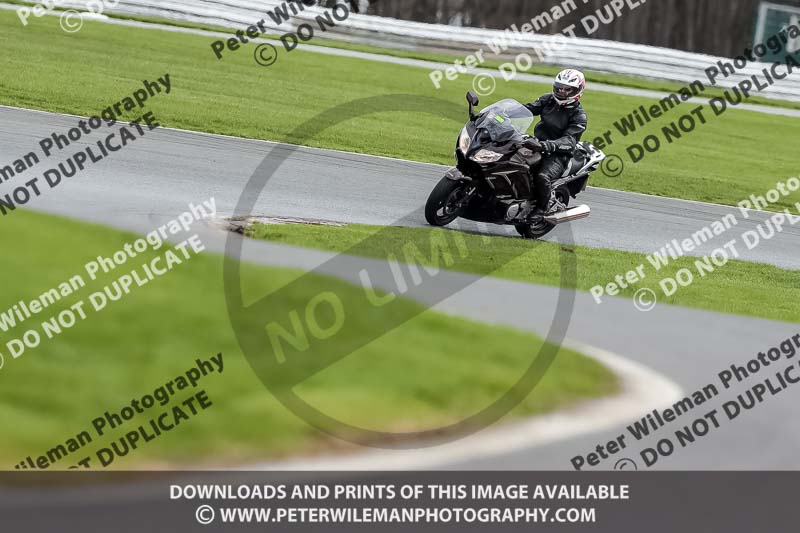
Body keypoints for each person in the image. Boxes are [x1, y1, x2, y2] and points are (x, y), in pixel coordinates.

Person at [523, 69, 588, 216]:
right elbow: (527, 109)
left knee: (542, 177)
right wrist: (500, 114)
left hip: (558, 154)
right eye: (559, 88)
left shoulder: (579, 115)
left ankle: (542, 209)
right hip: (536, 145)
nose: (561, 91)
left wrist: (548, 145)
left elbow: (569, 140)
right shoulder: (548, 100)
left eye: (567, 89)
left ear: (578, 90)